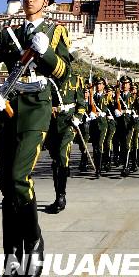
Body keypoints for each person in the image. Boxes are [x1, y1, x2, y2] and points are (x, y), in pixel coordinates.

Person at [0, 0, 71, 277]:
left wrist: (48, 55)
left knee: (18, 177)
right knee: (6, 188)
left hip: (37, 104)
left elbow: (64, 71)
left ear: (47, 1)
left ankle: (35, 240)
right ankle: (11, 265)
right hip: (10, 106)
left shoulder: (55, 32)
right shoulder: (10, 33)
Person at [45, 69, 86, 213]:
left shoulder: (75, 79)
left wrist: (77, 118)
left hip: (68, 123)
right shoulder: (48, 79)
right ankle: (58, 196)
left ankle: (61, 197)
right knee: (56, 160)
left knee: (63, 156)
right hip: (52, 124)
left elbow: (81, 104)